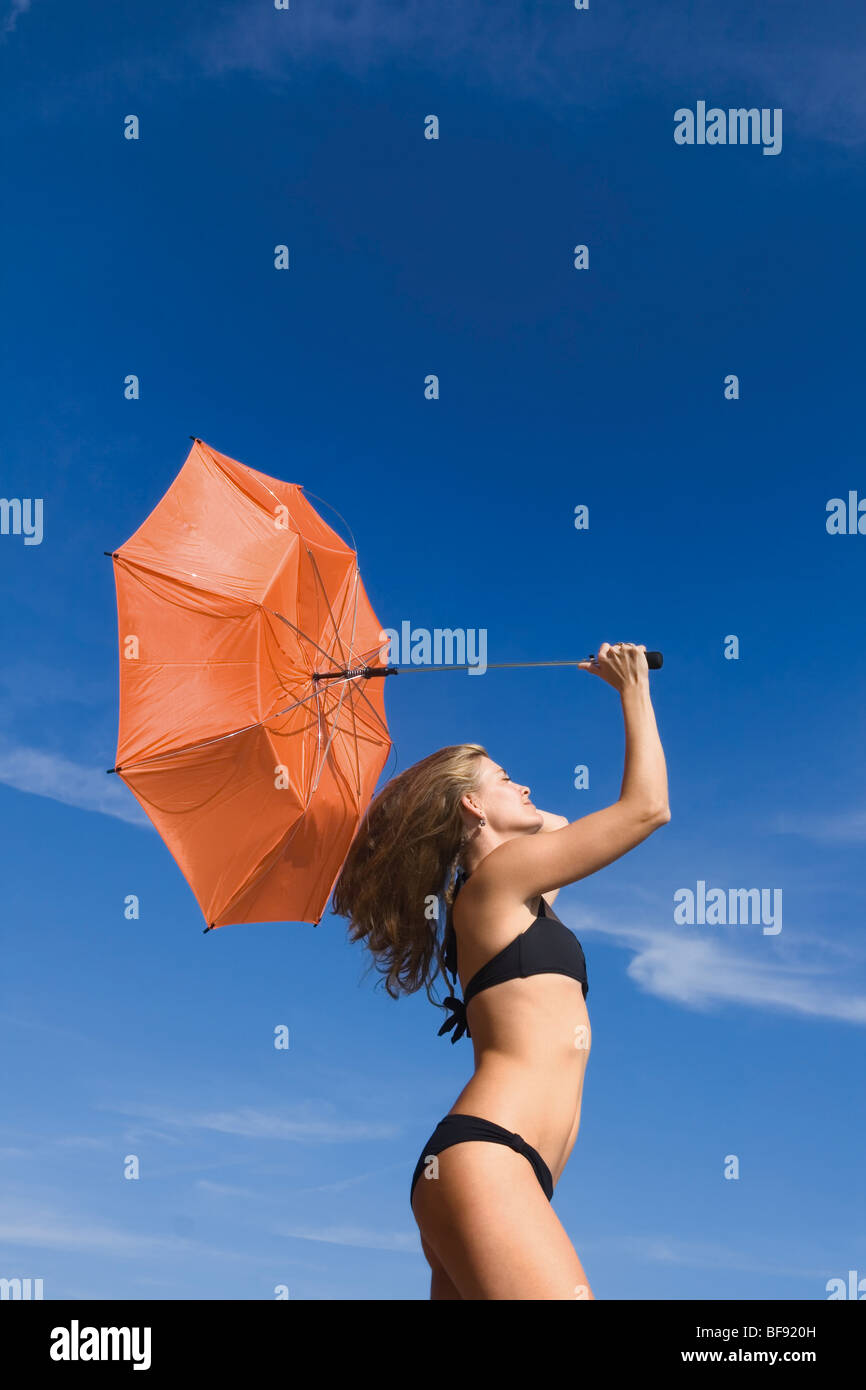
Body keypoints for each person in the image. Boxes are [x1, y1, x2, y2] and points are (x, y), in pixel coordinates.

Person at [332, 642, 669, 1299]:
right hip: (489, 1165)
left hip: (488, 1171)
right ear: (472, 809)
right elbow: (646, 809)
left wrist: (524, 813)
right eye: (505, 777)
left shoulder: (506, 894)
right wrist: (631, 689)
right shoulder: (498, 881)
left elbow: (564, 826)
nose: (525, 785)